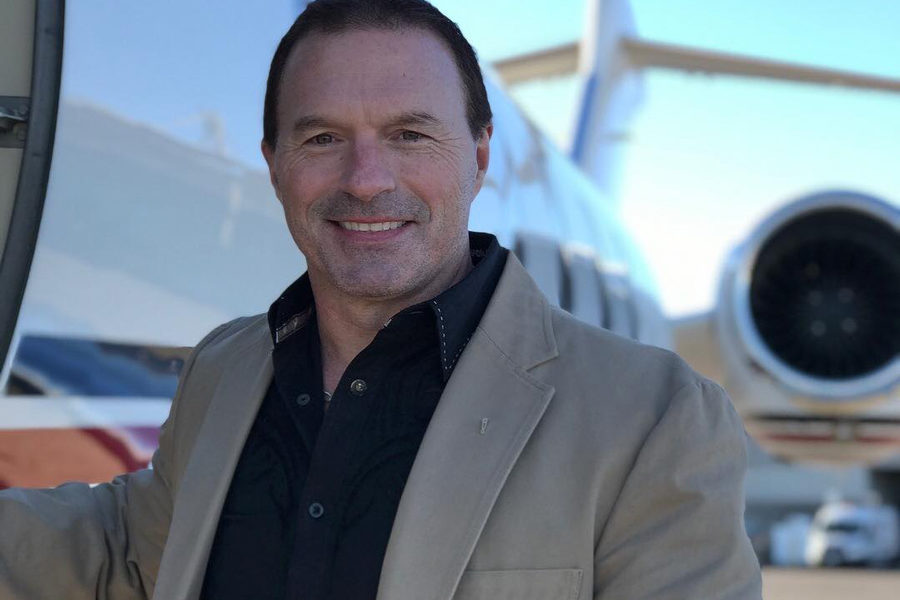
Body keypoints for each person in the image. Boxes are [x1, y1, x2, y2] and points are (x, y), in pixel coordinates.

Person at [0, 0, 762, 598]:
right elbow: (133, 555)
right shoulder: (224, 370)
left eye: (409, 136)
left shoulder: (653, 418)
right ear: (274, 164)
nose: (366, 180)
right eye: (322, 139)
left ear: (480, 157)